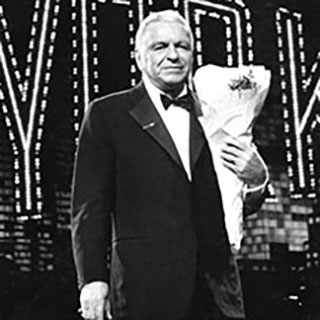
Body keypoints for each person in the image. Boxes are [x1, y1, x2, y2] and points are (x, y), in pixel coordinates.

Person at [71, 10, 268, 320]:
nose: (173, 55)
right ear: (138, 57)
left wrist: (257, 180)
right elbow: (89, 206)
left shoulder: (217, 111)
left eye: (182, 46)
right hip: (145, 291)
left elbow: (230, 204)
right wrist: (92, 280)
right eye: (159, 46)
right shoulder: (107, 114)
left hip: (217, 293)